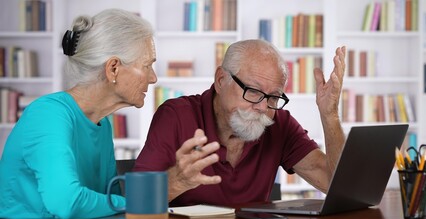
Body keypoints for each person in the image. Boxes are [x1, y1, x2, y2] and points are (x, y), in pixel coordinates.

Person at [134, 39, 346, 207]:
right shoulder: (176, 116)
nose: (263, 108)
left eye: (273, 97)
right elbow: (136, 201)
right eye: (253, 91)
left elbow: (336, 185)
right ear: (220, 80)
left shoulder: (279, 123)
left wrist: (330, 116)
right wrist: (177, 181)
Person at [0, 9, 157, 219]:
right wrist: (137, 204)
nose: (153, 78)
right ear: (113, 69)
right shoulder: (48, 114)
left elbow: (107, 202)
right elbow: (67, 203)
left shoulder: (102, 124)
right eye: (147, 66)